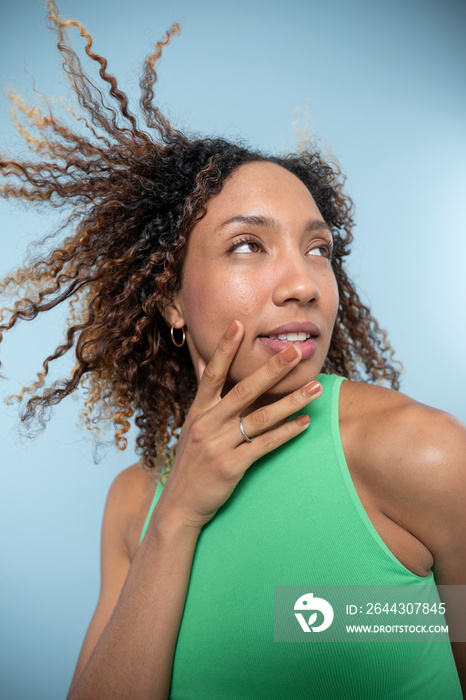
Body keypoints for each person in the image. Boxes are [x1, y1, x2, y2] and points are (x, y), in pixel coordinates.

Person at [1, 3, 464, 699]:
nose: (304, 284)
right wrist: (177, 515)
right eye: (248, 246)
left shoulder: (422, 455)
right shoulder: (135, 505)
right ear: (168, 300)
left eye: (318, 250)